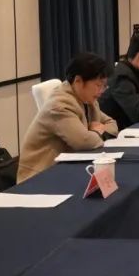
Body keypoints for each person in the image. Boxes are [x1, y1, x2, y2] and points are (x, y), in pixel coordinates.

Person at [17, 53, 119, 184]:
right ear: (78, 81)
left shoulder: (88, 100)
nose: (101, 91)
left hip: (66, 169)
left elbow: (112, 124)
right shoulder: (60, 105)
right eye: (98, 85)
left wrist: (96, 132)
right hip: (40, 176)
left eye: (104, 86)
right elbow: (83, 141)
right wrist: (98, 131)